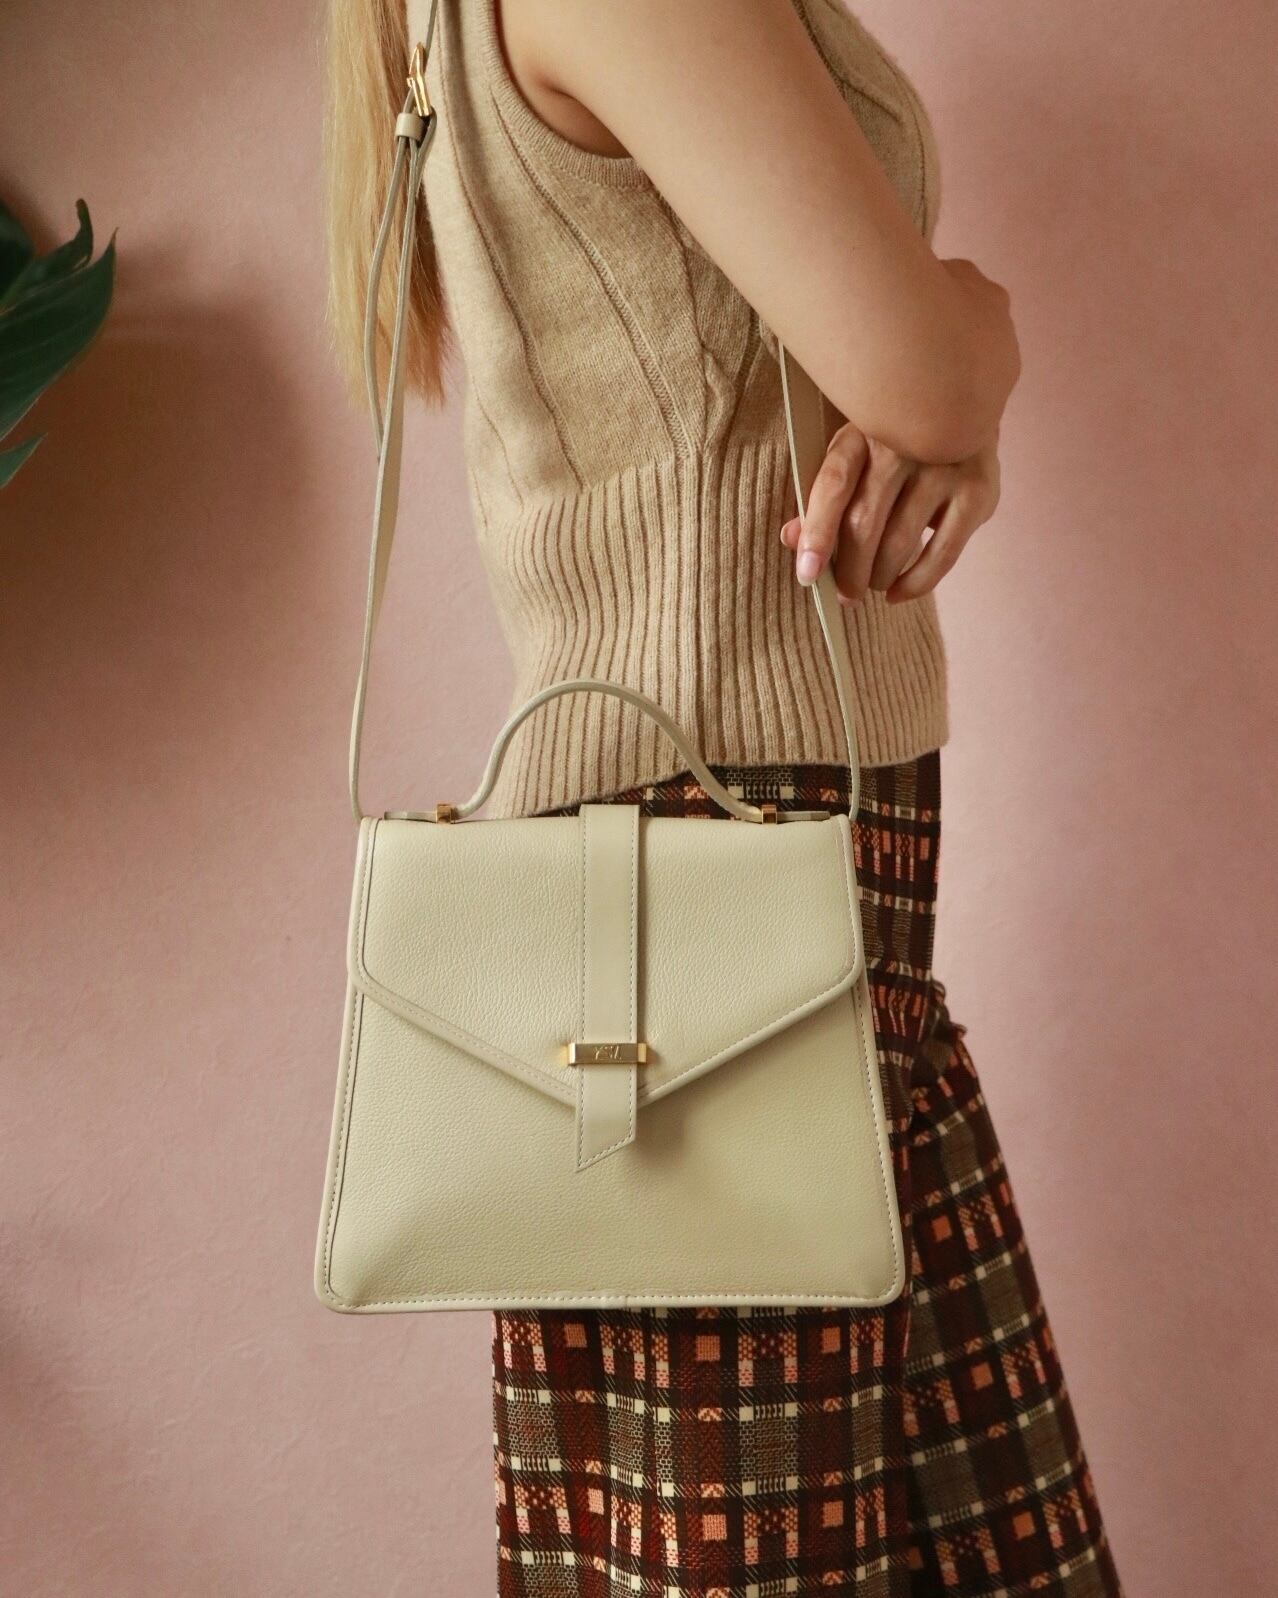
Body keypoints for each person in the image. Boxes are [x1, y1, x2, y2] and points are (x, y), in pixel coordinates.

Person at [325, 1, 1124, 1592]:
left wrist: (945, 401)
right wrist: (977, 335)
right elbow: (918, 369)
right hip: (725, 858)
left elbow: (888, 383)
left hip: (705, 860)